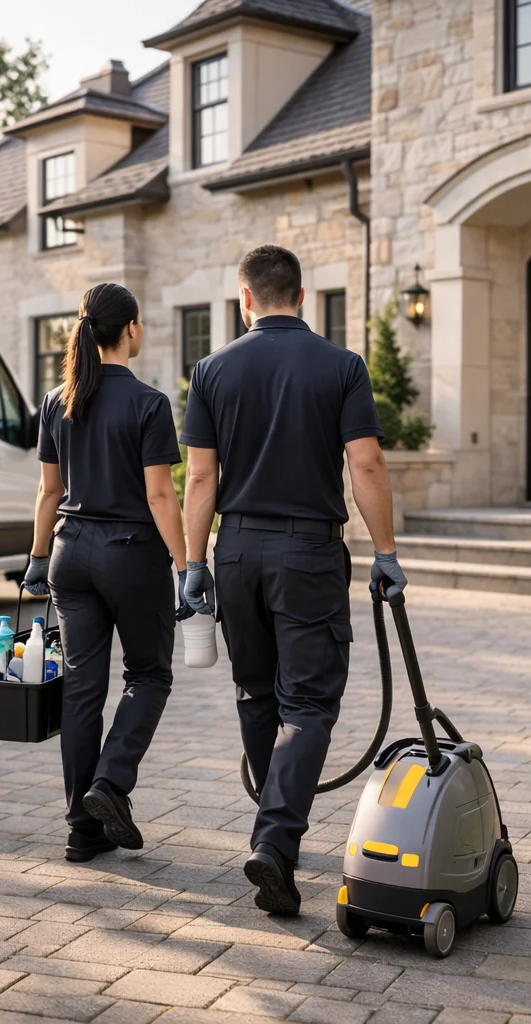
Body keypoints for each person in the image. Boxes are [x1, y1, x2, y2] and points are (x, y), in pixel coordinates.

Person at [179, 245, 407, 915]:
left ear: (244, 298)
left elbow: (199, 477)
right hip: (308, 554)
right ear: (301, 297)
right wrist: (386, 552)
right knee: (307, 704)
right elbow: (365, 465)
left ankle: (269, 836)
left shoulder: (212, 370)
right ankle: (275, 844)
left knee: (256, 690)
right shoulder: (341, 366)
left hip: (238, 550)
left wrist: (193, 566)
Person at [21, 282, 189, 863]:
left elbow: (49, 491)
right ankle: (110, 784)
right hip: (132, 556)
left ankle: (80, 829)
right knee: (149, 677)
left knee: (82, 689)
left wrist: (38, 559)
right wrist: (189, 565)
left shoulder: (56, 400)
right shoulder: (149, 403)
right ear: (131, 330)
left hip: (69, 555)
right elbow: (161, 496)